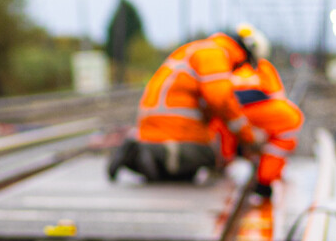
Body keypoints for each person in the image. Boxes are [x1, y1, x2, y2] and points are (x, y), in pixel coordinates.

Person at [107, 28, 254, 183]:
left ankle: (143, 155)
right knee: (209, 156)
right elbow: (221, 101)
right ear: (242, 53)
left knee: (183, 175)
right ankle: (149, 153)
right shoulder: (215, 54)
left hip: (157, 129)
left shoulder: (198, 49)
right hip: (172, 132)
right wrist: (248, 137)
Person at [224, 32, 303, 197]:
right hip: (236, 120)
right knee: (291, 120)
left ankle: (228, 163)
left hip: (226, 121)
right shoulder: (262, 68)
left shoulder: (225, 65)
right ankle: (265, 179)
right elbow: (278, 98)